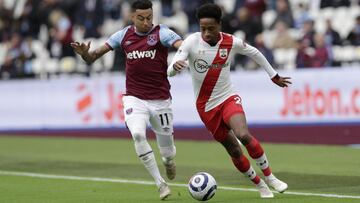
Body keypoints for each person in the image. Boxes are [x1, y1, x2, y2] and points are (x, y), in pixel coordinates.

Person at [168, 3, 291, 198]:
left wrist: (273, 75)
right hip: (206, 107)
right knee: (234, 150)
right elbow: (170, 70)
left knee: (243, 135)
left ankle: (270, 177)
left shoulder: (230, 42)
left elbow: (255, 53)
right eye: (203, 29)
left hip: (227, 97)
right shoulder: (191, 42)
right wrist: (175, 67)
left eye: (211, 28)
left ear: (220, 25)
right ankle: (260, 185)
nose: (206, 33)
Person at [71, 0, 182, 200]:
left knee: (167, 151)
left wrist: (181, 57)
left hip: (161, 100)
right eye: (141, 18)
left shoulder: (162, 33)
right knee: (138, 134)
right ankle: (160, 184)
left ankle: (168, 161)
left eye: (149, 17)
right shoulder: (122, 36)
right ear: (132, 17)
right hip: (134, 98)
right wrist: (85, 54)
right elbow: (92, 58)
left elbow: (181, 46)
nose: (146, 22)